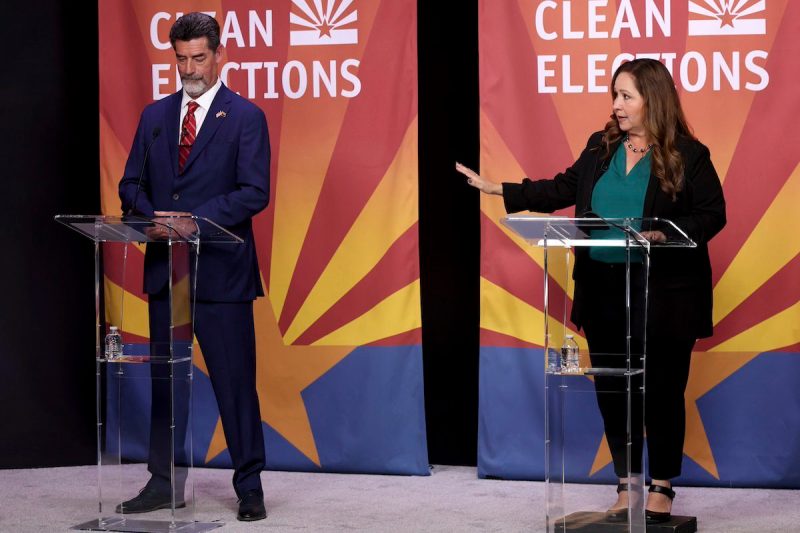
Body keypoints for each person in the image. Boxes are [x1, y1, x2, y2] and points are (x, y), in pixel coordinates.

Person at [456, 58, 726, 523]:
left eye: (626, 97)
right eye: (615, 96)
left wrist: (662, 234)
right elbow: (563, 188)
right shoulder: (601, 148)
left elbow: (712, 214)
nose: (616, 106)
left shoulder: (689, 154)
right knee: (613, 392)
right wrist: (498, 188)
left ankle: (661, 486)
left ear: (652, 100)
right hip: (602, 289)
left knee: (661, 391)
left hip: (663, 294)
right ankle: (627, 485)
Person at [118, 12, 270, 522]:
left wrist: (193, 222)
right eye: (181, 58)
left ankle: (250, 485)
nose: (190, 68)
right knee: (167, 383)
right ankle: (163, 482)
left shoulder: (245, 117)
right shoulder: (155, 117)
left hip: (222, 273)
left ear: (219, 54)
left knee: (234, 384)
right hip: (168, 271)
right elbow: (129, 185)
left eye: (199, 58)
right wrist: (148, 219)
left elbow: (254, 192)